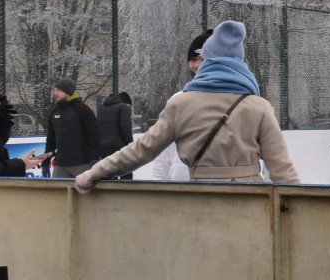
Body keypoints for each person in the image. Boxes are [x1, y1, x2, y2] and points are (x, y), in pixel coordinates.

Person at [74, 20, 300, 192]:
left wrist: (96, 172)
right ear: (240, 63)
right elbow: (281, 168)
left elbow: (142, 150)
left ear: (207, 61)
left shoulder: (180, 103)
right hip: (249, 199)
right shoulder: (259, 107)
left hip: (199, 196)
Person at [151, 29, 213, 181]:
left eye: (203, 59)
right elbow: (163, 151)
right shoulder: (177, 100)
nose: (198, 65)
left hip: (218, 191)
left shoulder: (234, 99)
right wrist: (158, 188)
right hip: (181, 190)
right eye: (193, 59)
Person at [44, 78, 100, 179]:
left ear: (67, 91)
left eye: (58, 90)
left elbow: (94, 135)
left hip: (81, 163)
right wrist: (45, 162)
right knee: (57, 193)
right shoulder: (55, 112)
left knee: (84, 193)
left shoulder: (83, 110)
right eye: (55, 90)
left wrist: (94, 158)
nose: (55, 93)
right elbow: (51, 139)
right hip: (60, 164)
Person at [97, 91, 134, 180]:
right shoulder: (124, 107)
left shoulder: (101, 108)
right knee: (126, 173)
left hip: (103, 148)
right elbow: (125, 126)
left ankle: (108, 192)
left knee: (108, 174)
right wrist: (131, 145)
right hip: (119, 147)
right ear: (127, 103)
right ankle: (124, 192)